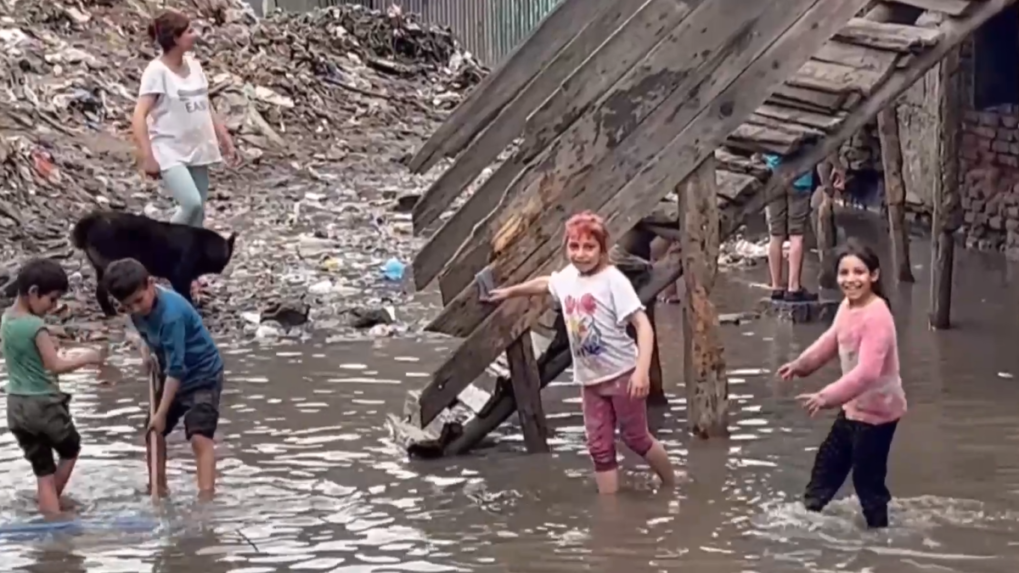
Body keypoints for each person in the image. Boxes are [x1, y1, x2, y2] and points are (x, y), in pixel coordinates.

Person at [485, 211, 675, 494]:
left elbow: (643, 326)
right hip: (590, 380)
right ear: (566, 248)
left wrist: (641, 371)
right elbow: (544, 284)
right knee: (598, 447)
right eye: (574, 247)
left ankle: (672, 482)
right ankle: (611, 512)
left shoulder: (613, 281)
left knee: (636, 438)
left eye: (589, 247)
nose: (581, 254)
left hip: (623, 374)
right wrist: (508, 292)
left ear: (602, 249)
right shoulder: (568, 278)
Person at [777, 240, 906, 528]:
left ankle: (879, 537)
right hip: (852, 407)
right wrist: (802, 365)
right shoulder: (848, 306)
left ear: (874, 275)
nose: (850, 280)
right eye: (844, 273)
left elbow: (868, 373)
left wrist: (826, 396)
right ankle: (807, 518)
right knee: (827, 464)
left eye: (858, 272)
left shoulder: (878, 315)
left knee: (867, 480)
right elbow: (832, 340)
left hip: (878, 414)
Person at [103, 258, 224, 499]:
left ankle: (206, 499)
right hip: (170, 372)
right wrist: (146, 351)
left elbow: (177, 369)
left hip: (202, 374)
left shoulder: (172, 315)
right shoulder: (136, 309)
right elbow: (142, 332)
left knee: (200, 436)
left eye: (139, 301)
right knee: (153, 433)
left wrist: (161, 414)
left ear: (150, 284)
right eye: (128, 306)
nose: (136, 309)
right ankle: (158, 489)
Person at [2, 258, 106, 515]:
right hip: (44, 405)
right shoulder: (36, 326)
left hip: (16, 407)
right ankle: (53, 509)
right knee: (71, 448)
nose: (54, 306)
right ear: (33, 292)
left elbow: (25, 355)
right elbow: (54, 365)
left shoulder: (7, 319)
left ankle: (48, 514)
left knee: (43, 469)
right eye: (52, 299)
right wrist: (88, 357)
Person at [131, 9, 238, 229]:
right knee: (191, 204)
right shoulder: (156, 72)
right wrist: (147, 156)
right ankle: (162, 248)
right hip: (170, 149)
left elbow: (205, 104)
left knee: (198, 216)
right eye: (189, 31)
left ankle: (190, 261)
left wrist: (223, 136)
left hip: (198, 146)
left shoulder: (194, 66)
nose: (195, 34)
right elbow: (139, 116)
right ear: (175, 39)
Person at [762, 152, 819, 302]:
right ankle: (794, 287)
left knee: (775, 235)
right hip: (800, 178)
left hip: (773, 178)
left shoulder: (768, 130)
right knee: (796, 235)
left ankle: (776, 286)